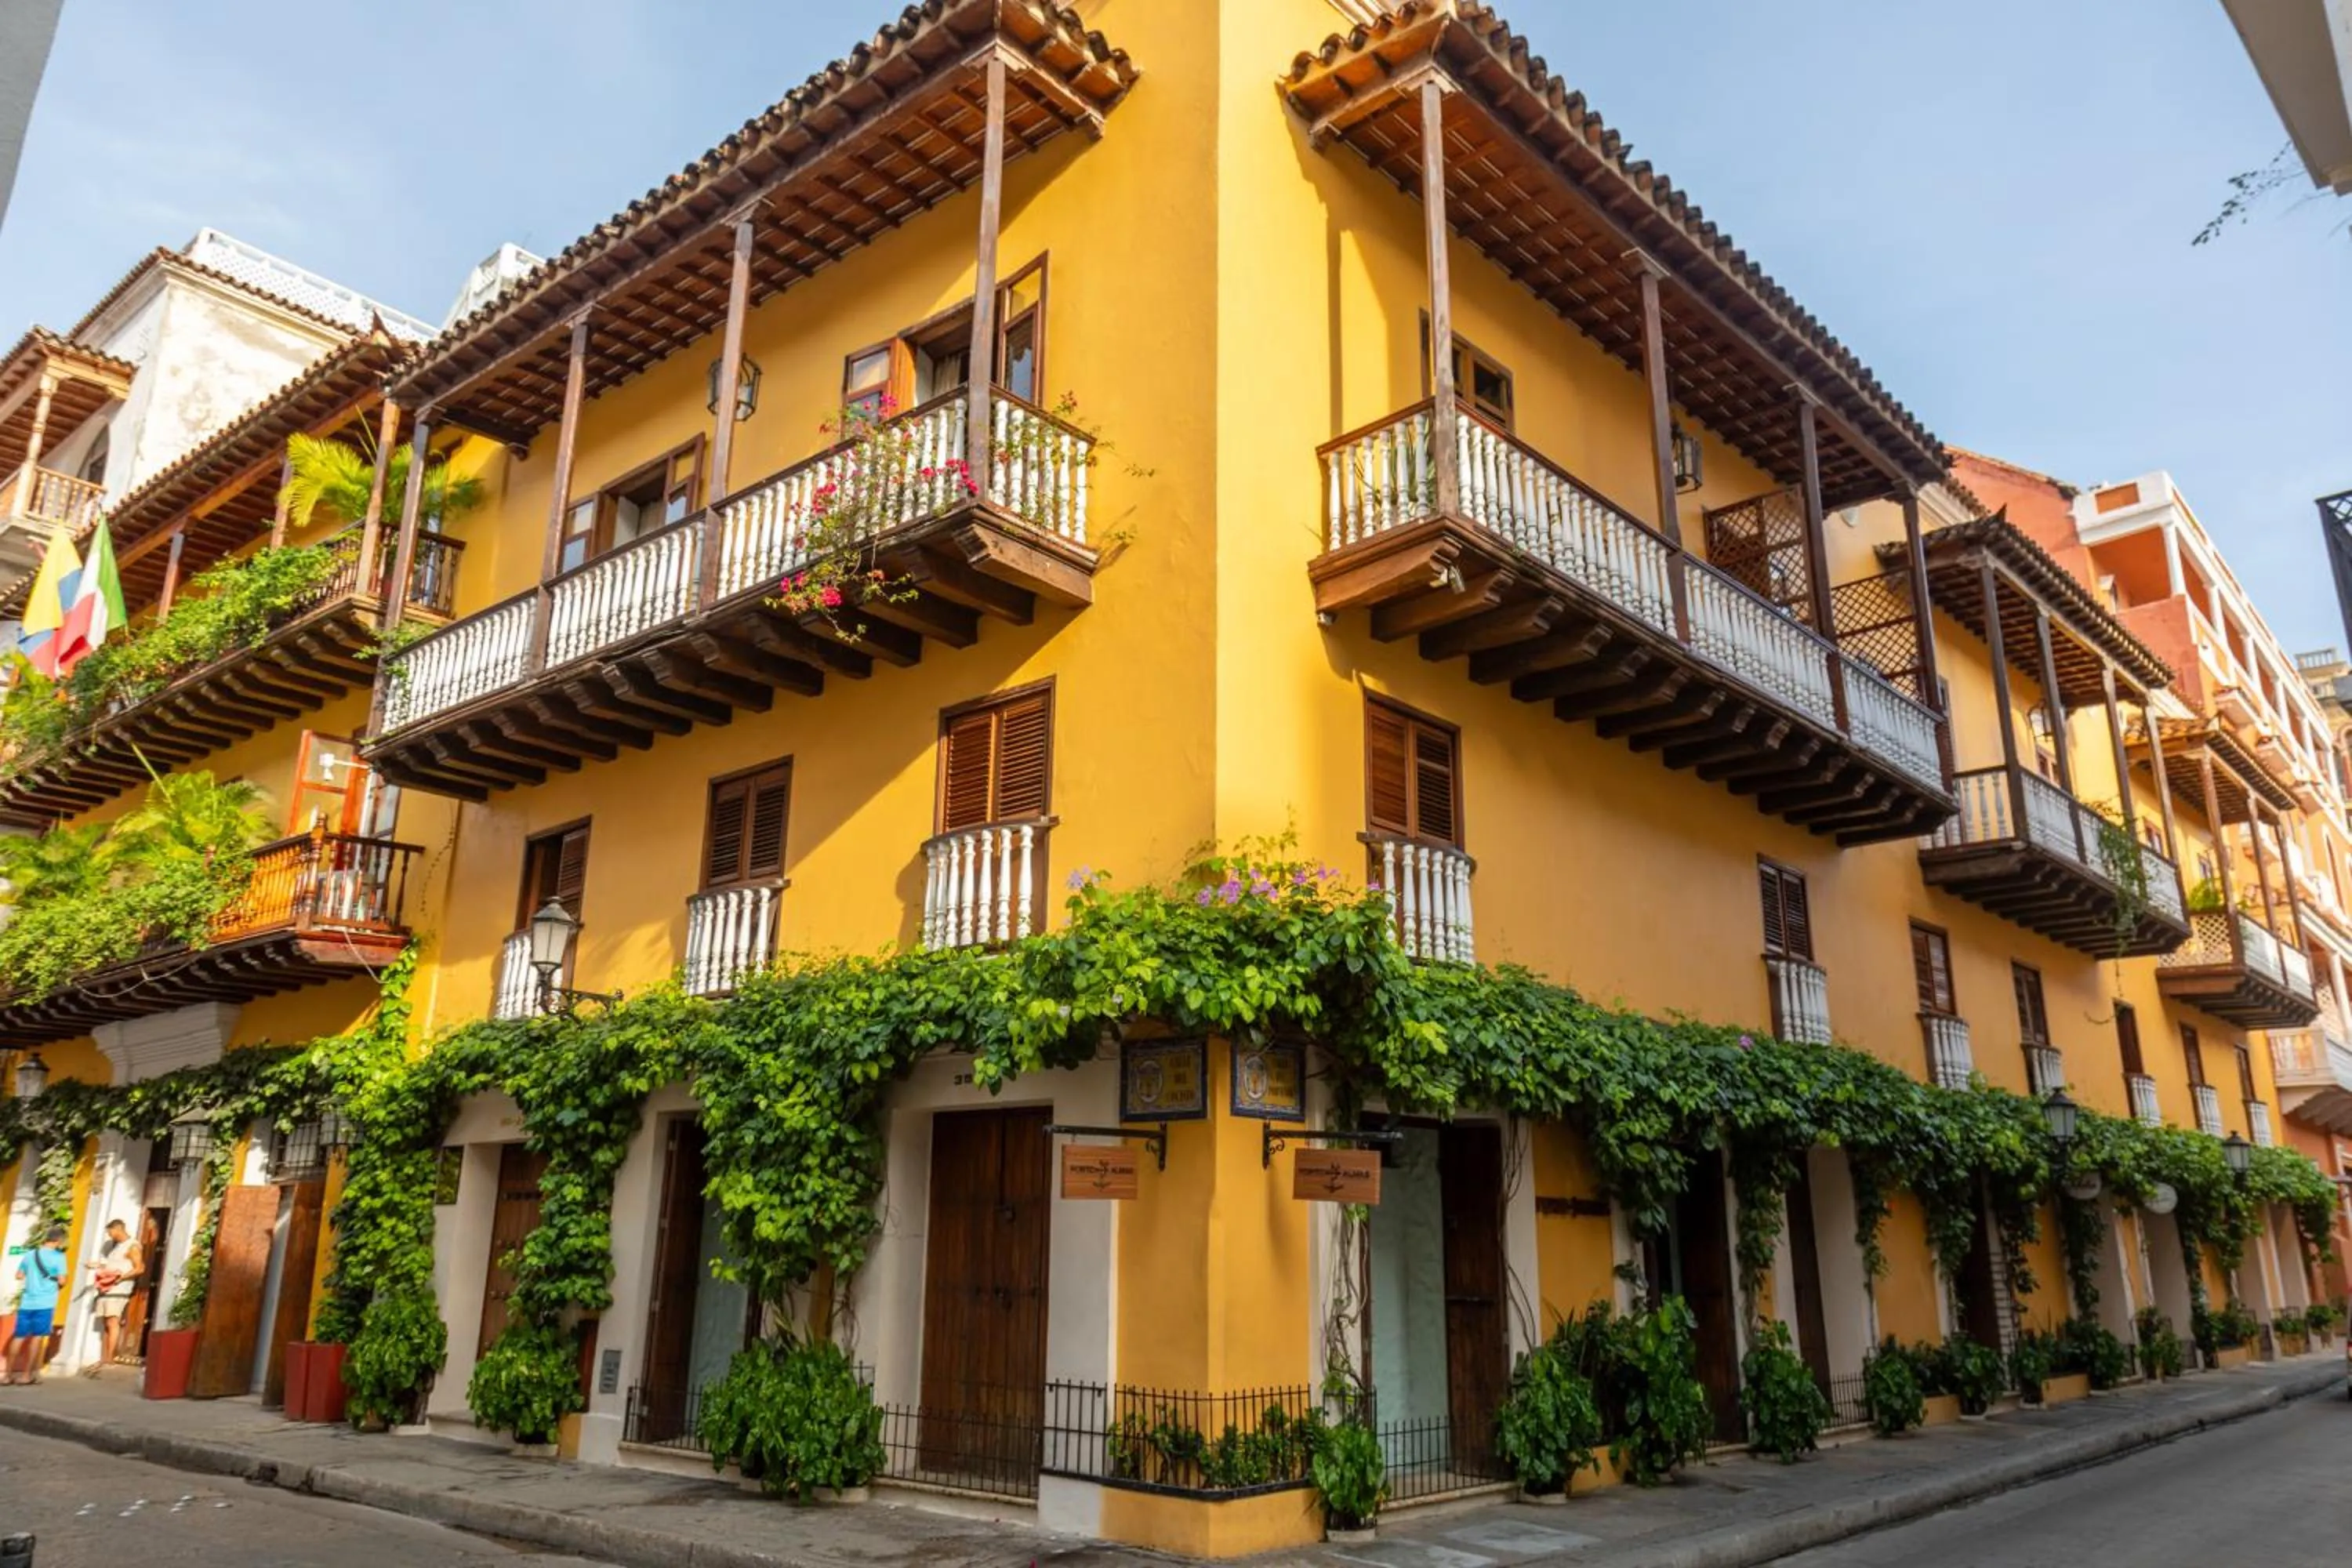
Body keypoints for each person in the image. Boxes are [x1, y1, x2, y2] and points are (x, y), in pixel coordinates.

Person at [5, 1225, 68, 1386]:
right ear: (59, 1241)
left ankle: (7, 1375)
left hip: (27, 1302)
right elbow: (62, 1281)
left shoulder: (30, 1254)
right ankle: (26, 1375)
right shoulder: (59, 1257)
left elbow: (19, 1275)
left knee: (19, 1337)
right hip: (45, 1303)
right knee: (37, 1337)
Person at [85, 1218, 142, 1375]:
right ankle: (105, 1357)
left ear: (118, 1230)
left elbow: (139, 1268)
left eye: (110, 1232)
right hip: (107, 1288)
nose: (110, 1236)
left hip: (119, 1289)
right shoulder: (116, 1247)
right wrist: (99, 1266)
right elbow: (115, 1265)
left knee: (113, 1321)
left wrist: (120, 1278)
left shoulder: (133, 1246)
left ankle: (110, 1358)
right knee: (107, 1322)